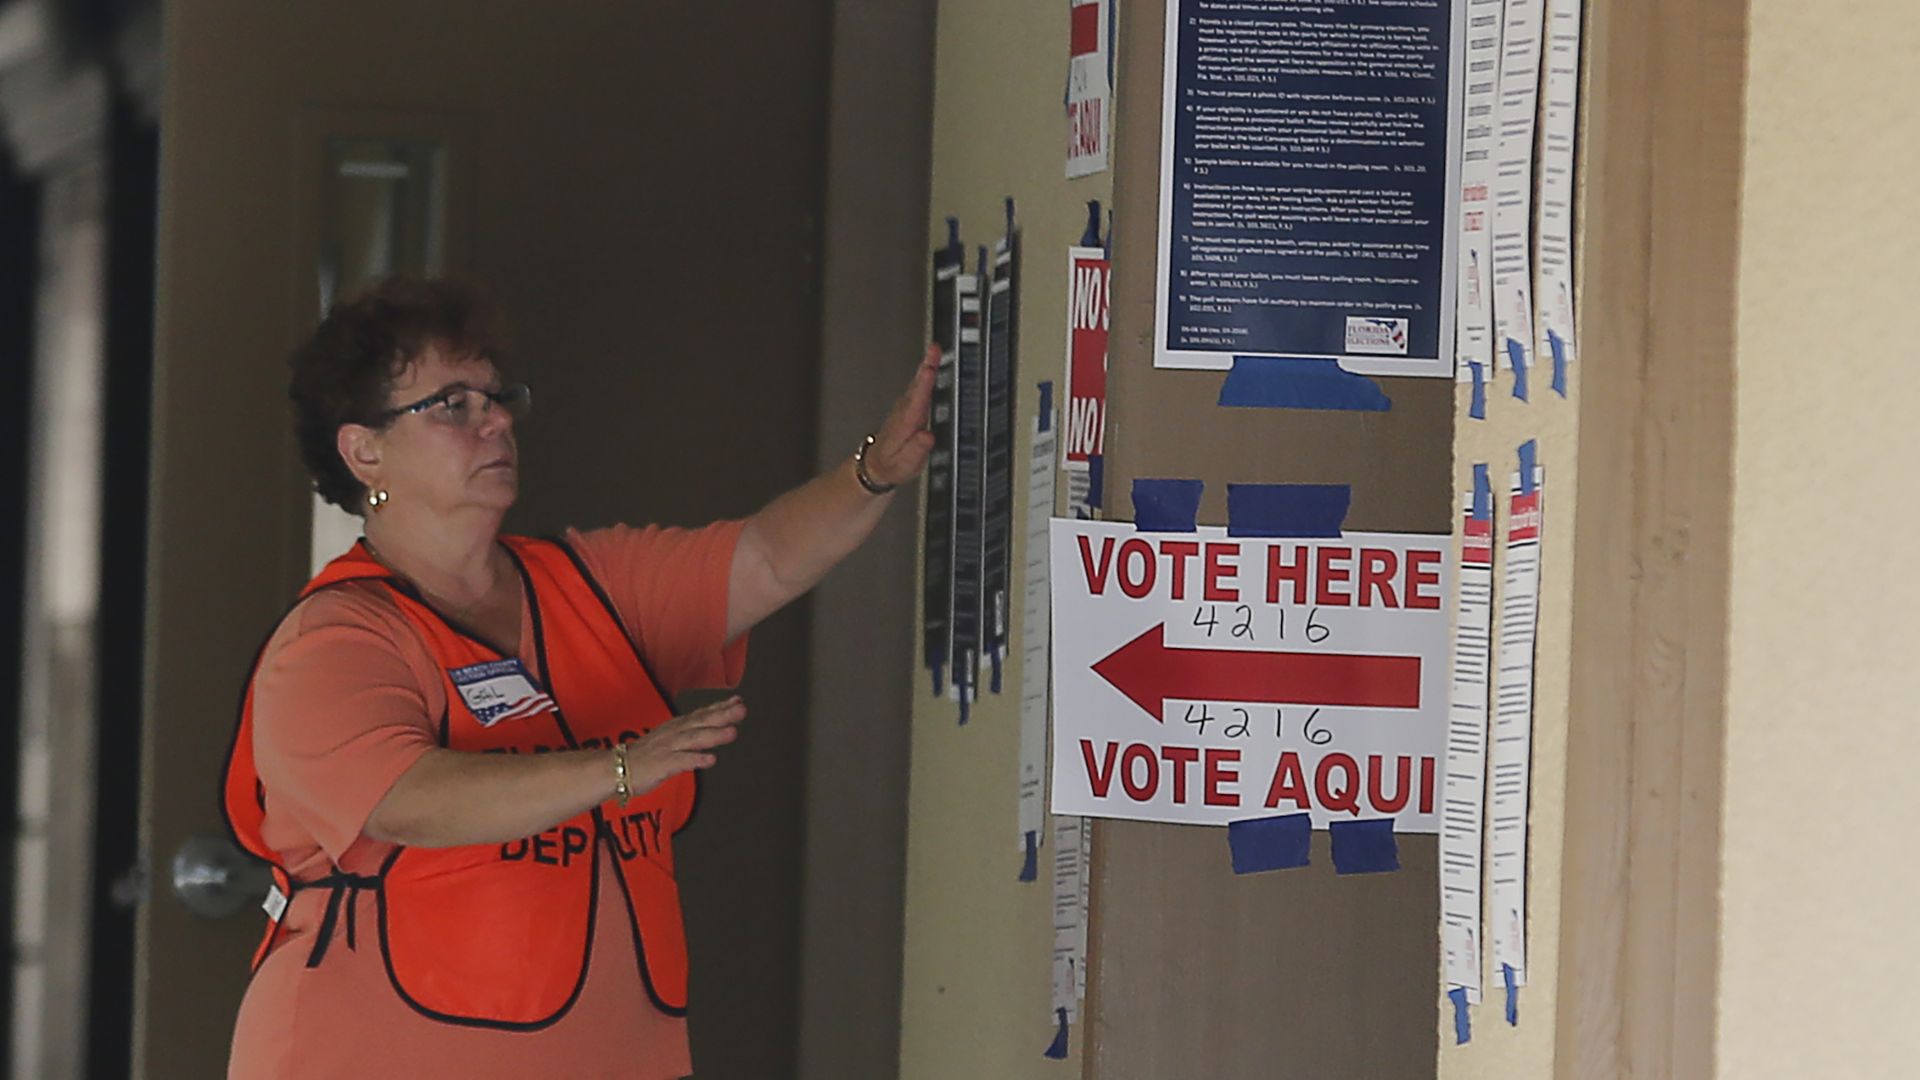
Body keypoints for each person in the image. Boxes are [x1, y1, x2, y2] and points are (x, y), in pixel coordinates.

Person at [222, 276, 935, 1078]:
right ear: (365, 450)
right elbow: (408, 800)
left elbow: (765, 559)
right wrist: (621, 769)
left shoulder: (592, 585)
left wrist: (874, 471)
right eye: (453, 405)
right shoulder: (334, 640)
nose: (497, 420)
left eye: (498, 397)